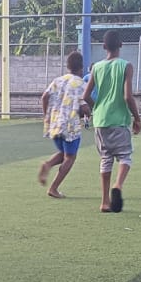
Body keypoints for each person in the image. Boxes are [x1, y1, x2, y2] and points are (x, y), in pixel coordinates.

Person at [80, 31, 141, 213]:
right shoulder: (126, 66)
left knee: (106, 158)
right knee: (125, 156)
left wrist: (97, 108)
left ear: (104, 46)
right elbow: (128, 96)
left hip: (100, 121)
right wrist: (137, 118)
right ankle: (118, 185)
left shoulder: (96, 67)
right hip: (119, 119)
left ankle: (105, 202)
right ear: (121, 45)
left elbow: (86, 96)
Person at [37, 50, 87, 199]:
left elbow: (44, 97)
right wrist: (88, 112)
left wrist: (47, 116)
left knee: (65, 153)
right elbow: (85, 107)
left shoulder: (58, 81)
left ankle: (47, 164)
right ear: (81, 67)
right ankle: (53, 188)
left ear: (68, 66)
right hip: (70, 126)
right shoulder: (81, 84)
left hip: (55, 124)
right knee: (70, 158)